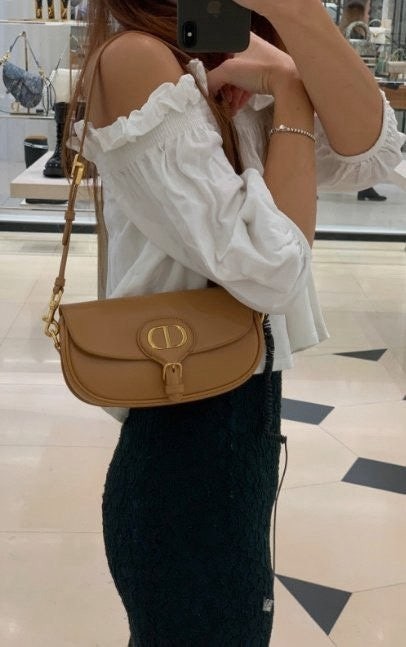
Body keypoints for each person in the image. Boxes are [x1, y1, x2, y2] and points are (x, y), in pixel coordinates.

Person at [65, 1, 404, 644]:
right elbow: (274, 268)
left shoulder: (229, 48)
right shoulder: (138, 57)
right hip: (183, 432)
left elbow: (370, 155)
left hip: (240, 419)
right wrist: (289, 91)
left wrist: (299, 18)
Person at [340, 0, 388, 201]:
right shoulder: (359, 36)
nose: (369, 16)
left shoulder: (341, 33)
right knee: (368, 139)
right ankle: (365, 186)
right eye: (367, 12)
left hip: (343, 93)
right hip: (356, 94)